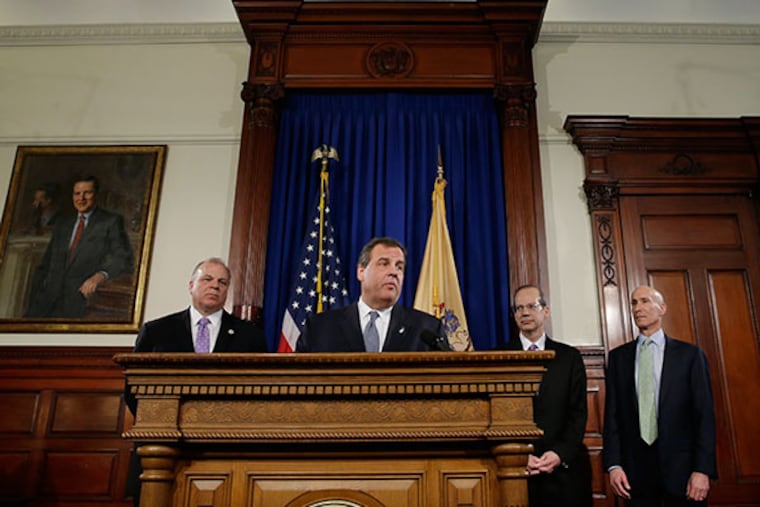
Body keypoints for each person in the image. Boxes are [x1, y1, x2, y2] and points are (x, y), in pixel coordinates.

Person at [124, 257, 269, 506]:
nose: (215, 286)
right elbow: (132, 389)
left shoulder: (249, 336)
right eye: (207, 279)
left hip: (224, 445)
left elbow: (260, 390)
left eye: (222, 282)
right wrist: (161, 419)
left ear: (227, 291)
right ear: (191, 285)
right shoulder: (157, 331)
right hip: (163, 444)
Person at [603, 285, 717, 506]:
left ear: (662, 308)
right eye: (634, 303)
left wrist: (702, 469)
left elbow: (704, 416)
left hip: (683, 474)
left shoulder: (690, 355)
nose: (638, 308)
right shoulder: (618, 358)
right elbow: (612, 417)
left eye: (645, 301)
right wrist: (614, 465)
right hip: (635, 476)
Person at [497, 285, 590, 507]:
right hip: (514, 471)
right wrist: (517, 456)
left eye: (532, 306)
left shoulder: (569, 358)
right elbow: (496, 418)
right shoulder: (499, 358)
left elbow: (578, 415)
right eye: (519, 308)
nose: (525, 313)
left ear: (545, 311)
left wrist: (558, 454)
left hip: (561, 473)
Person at [296, 236, 445, 352]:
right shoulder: (319, 328)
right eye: (384, 263)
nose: (394, 272)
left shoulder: (427, 329)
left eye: (399, 267)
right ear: (361, 272)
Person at [25, 175, 134, 318]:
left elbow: (124, 257)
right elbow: (45, 265)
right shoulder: (63, 223)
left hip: (81, 302)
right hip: (46, 302)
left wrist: (100, 275)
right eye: (77, 193)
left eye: (87, 193)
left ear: (96, 195)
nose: (81, 198)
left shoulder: (110, 222)